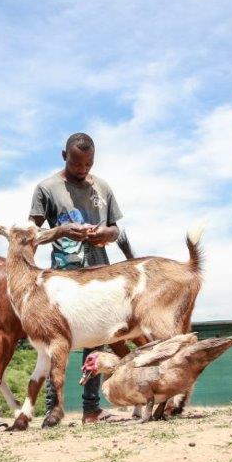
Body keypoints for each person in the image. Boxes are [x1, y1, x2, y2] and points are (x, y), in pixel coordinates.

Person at [29, 132, 135, 424]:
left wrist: (105, 234)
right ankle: (53, 409)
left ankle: (91, 409)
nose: (83, 169)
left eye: (89, 164)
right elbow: (31, 235)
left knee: (96, 341)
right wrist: (62, 231)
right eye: (77, 164)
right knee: (55, 344)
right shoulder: (46, 189)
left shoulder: (102, 187)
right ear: (65, 157)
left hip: (100, 273)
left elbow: (116, 230)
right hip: (63, 279)